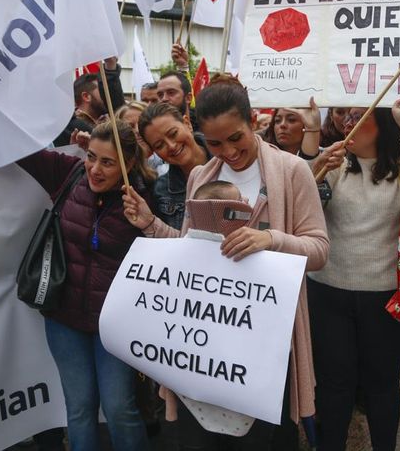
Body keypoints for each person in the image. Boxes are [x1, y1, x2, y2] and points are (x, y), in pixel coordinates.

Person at [122, 82, 329, 450]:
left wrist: (271, 240)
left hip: (267, 343)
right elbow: (191, 252)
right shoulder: (202, 176)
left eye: (236, 138)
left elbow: (319, 249)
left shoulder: (292, 170)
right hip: (212, 341)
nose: (228, 152)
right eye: (215, 144)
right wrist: (149, 225)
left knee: (264, 440)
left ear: (252, 121)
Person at [17, 119, 154, 451]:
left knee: (119, 409)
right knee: (78, 410)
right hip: (65, 321)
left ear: (129, 163)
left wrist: (150, 223)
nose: (95, 169)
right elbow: (18, 148)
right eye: (91, 156)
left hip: (115, 327)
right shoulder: (70, 173)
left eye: (107, 162)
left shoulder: (144, 198)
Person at [306, 102, 400, 451]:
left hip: (387, 297)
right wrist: (314, 152)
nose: (349, 122)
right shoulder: (332, 162)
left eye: (359, 117)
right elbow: (300, 197)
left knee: (382, 385)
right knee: (335, 386)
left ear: (381, 126)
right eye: (347, 116)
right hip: (327, 293)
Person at [136, 102, 210, 230]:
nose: (171, 146)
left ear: (187, 123)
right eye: (159, 145)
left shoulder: (230, 161)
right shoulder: (161, 190)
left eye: (173, 134)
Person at [54, 57, 124, 147]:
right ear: (86, 96)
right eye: (102, 89)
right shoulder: (69, 128)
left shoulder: (105, 125)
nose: (107, 93)